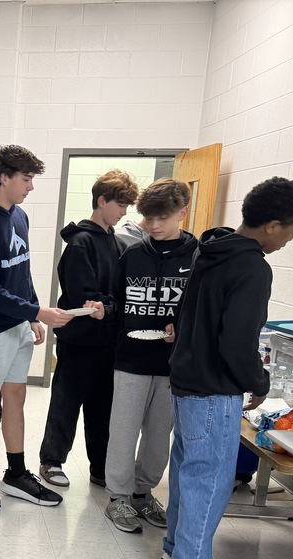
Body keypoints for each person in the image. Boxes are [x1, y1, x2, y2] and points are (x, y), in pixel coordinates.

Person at [160, 177, 293, 559]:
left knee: (189, 475)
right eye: (291, 231)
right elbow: (237, 341)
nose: (287, 241)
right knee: (209, 485)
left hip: (186, 382)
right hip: (213, 390)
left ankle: (175, 554)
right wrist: (259, 382)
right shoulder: (251, 267)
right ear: (274, 225)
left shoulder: (209, 249)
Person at [0, 144, 74, 509]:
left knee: (17, 398)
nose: (31, 186)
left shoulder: (19, 216)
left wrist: (29, 316)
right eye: (26, 179)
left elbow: (21, 272)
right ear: (4, 178)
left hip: (17, 324)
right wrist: (38, 312)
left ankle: (15, 473)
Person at [95, 178, 197, 534]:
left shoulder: (198, 257)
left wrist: (181, 331)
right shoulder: (133, 254)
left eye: (163, 218)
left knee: (158, 435)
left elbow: (201, 309)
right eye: (149, 218)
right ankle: (118, 498)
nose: (154, 226)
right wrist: (103, 309)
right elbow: (117, 301)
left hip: (171, 365)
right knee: (123, 431)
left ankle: (143, 492)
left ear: (183, 212)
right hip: (131, 359)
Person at [37, 169, 138, 490]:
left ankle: (100, 468)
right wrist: (105, 307)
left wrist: (110, 309)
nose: (124, 212)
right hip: (79, 343)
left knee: (102, 410)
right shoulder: (80, 243)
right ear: (101, 200)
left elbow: (121, 295)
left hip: (110, 344)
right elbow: (85, 297)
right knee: (67, 403)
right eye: (120, 204)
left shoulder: (119, 243)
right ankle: (51, 462)